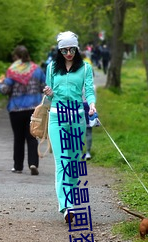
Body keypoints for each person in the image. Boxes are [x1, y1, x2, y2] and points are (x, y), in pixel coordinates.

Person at [43, 31, 96, 223]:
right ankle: (66, 206)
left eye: (71, 49)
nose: (68, 53)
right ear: (59, 50)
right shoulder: (51, 68)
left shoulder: (85, 68)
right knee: (62, 162)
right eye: (64, 50)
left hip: (77, 118)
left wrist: (91, 104)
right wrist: (48, 92)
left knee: (73, 163)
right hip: (57, 117)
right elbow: (49, 97)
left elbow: (89, 90)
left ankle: (71, 200)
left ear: (77, 48)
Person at [0, 45, 46, 175]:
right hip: (33, 109)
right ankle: (33, 163)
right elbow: (44, 87)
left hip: (16, 109)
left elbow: (5, 90)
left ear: (16, 57)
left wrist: (0, 83)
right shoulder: (37, 70)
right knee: (32, 137)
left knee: (18, 138)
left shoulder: (12, 71)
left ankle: (18, 166)